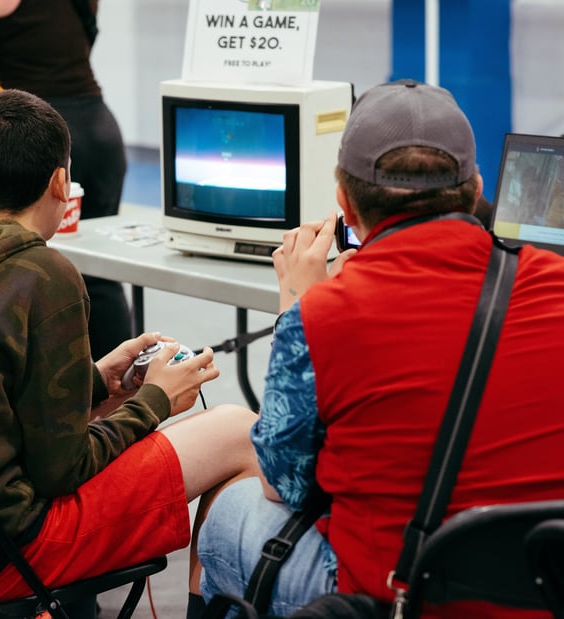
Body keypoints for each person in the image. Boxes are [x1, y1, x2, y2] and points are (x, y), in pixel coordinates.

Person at [0, 89, 260, 617]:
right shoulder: (45, 274)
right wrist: (157, 400)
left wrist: (96, 381)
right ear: (60, 183)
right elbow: (61, 473)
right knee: (236, 430)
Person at [197, 79, 564, 618]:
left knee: (227, 514)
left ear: (344, 203)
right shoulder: (555, 282)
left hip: (397, 596)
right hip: (541, 589)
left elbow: (284, 485)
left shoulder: (323, 315)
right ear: (477, 185)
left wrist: (298, 303)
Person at [0, 0, 134, 360]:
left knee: (21, 268)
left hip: (28, 136)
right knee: (97, 274)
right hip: (95, 130)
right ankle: (121, 389)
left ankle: (69, 392)